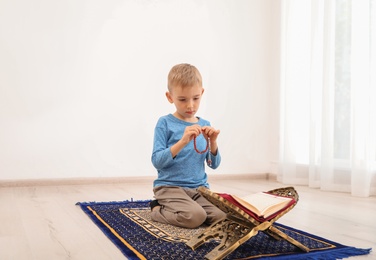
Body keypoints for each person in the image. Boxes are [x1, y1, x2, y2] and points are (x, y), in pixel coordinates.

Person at [150, 63, 226, 229]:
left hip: (199, 190)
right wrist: (182, 141)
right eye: (183, 100)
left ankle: (190, 208)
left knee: (222, 216)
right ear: (170, 97)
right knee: (195, 217)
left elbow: (214, 165)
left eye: (196, 98)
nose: (190, 105)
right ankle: (156, 209)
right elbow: (157, 161)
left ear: (202, 93)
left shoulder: (205, 124)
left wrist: (213, 142)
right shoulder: (165, 123)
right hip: (170, 187)